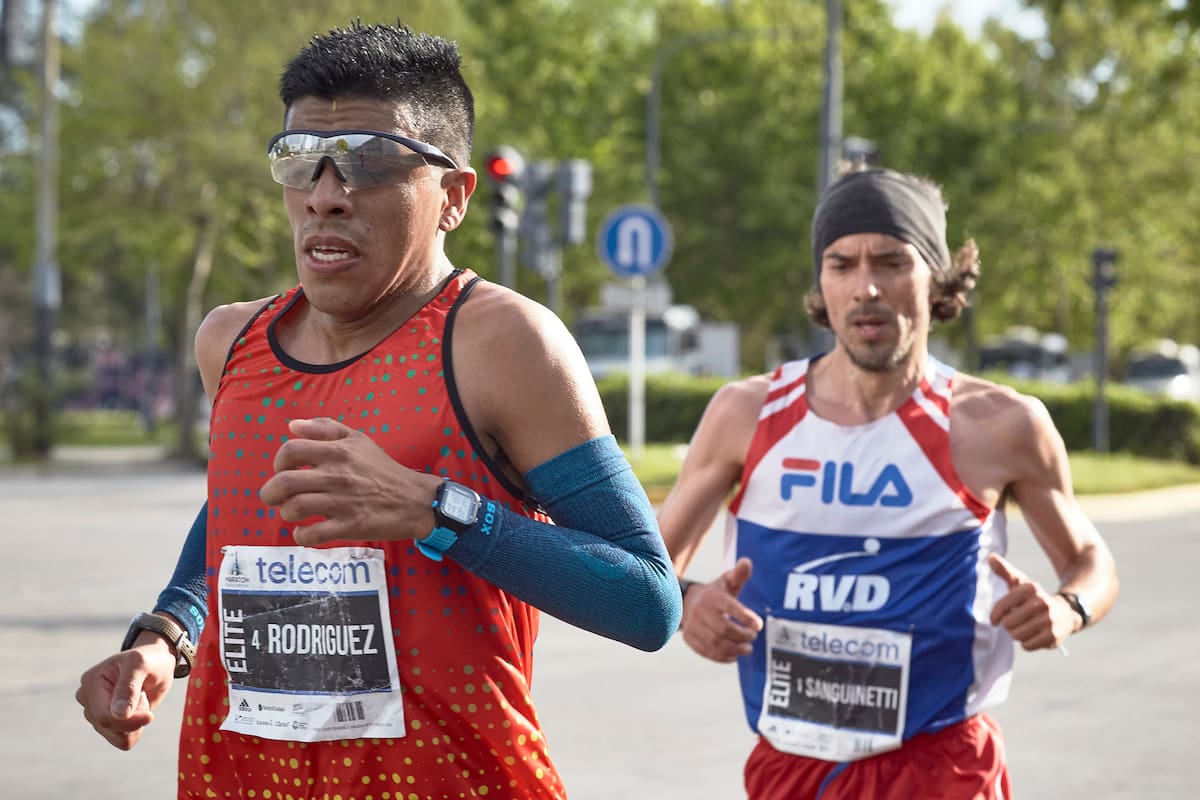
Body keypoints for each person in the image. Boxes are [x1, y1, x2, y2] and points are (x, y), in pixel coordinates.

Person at [75, 21, 681, 799]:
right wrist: (166, 634)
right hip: (241, 781)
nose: (327, 196)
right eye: (301, 161)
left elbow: (647, 600)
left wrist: (435, 508)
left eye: (370, 163)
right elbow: (235, 517)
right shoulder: (230, 342)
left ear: (454, 197)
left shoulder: (501, 344)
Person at [659, 167, 1119, 799]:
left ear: (937, 278)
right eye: (841, 264)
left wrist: (1068, 609)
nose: (865, 287)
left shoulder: (999, 425)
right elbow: (650, 565)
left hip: (941, 767)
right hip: (793, 765)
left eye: (892, 262)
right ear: (821, 281)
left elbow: (1093, 562)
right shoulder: (747, 413)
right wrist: (685, 604)